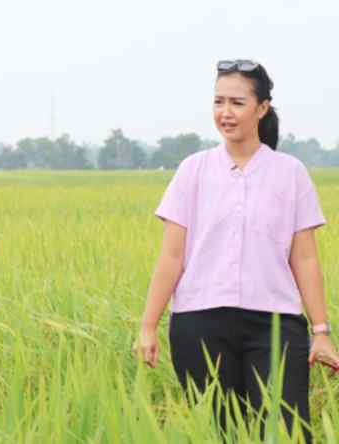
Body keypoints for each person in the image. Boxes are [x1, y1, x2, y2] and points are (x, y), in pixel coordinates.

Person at [137, 59, 339, 442]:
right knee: (219, 433)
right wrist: (148, 326)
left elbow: (305, 258)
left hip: (276, 324)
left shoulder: (290, 173)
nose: (224, 113)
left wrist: (321, 331)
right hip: (200, 323)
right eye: (218, 102)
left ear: (262, 108)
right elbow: (171, 257)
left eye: (236, 103)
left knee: (287, 431)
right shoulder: (193, 170)